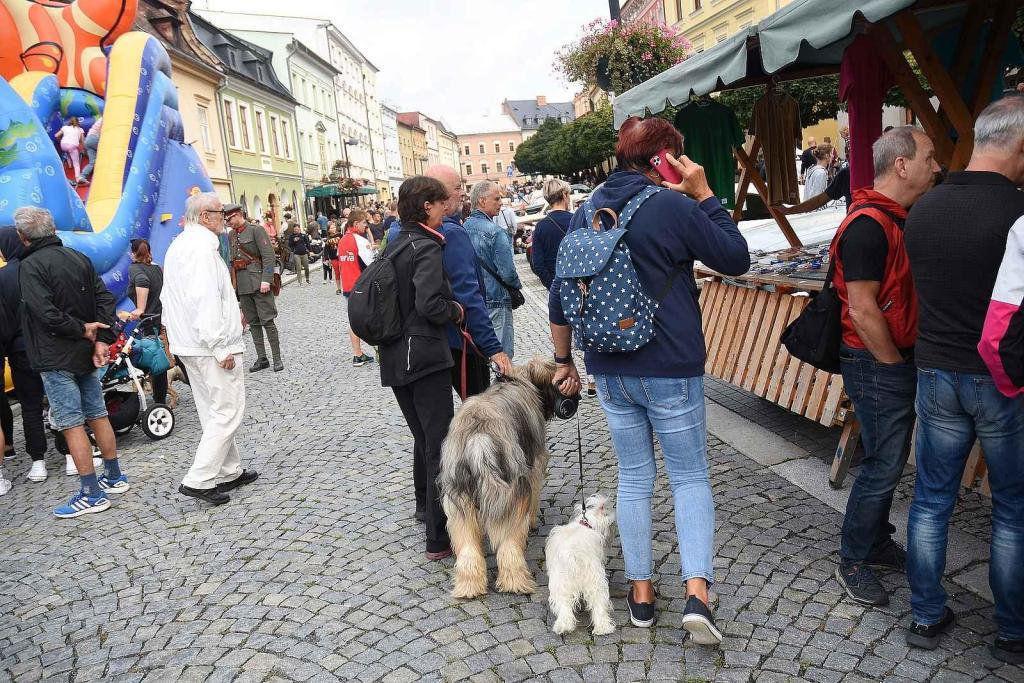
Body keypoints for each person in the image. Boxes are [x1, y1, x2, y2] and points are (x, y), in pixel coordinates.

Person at [548, 116, 749, 644]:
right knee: (688, 477)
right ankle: (697, 595)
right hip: (670, 364)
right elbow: (735, 257)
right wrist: (705, 195)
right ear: (664, 159)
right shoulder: (675, 206)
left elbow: (559, 298)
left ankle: (640, 595)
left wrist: (564, 361)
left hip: (609, 367)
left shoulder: (587, 212)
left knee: (634, 478)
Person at [904, 96, 1024, 661]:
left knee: (931, 500)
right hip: (1001, 380)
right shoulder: (1018, 213)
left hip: (936, 372)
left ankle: (925, 617)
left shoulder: (924, 208)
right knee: (1012, 507)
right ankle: (1011, 630)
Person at [829, 127, 939, 607]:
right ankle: (852, 558)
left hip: (885, 359)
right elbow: (862, 308)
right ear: (901, 165)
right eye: (929, 158)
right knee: (882, 464)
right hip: (876, 362)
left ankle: (873, 543)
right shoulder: (869, 225)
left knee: (887, 460)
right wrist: (894, 365)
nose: (936, 168)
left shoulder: (891, 218)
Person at [16, 206, 127, 517]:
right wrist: (99, 336)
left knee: (72, 422)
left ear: (23, 237)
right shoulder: (79, 258)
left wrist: (86, 331)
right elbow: (105, 299)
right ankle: (114, 475)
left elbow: (44, 313)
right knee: (96, 413)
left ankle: (91, 493)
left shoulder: (32, 266)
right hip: (84, 350)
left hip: (57, 354)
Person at [379, 176, 465, 561]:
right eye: (440, 203)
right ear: (427, 206)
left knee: (425, 440)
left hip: (396, 357)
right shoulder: (426, 247)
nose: (446, 208)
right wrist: (455, 310)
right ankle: (439, 537)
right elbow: (430, 303)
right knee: (439, 447)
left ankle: (430, 518)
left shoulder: (395, 241)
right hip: (425, 358)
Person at [162, 192, 258, 506]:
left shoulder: (179, 245)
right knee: (227, 410)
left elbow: (170, 299)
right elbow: (203, 300)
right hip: (207, 344)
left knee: (212, 410)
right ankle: (199, 478)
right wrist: (219, 346)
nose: (225, 217)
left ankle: (229, 470)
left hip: (190, 343)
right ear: (205, 216)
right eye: (220, 212)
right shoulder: (201, 249)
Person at [424, 165, 512, 399]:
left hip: (424, 342)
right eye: (457, 188)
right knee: (480, 410)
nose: (462, 193)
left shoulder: (399, 233)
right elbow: (468, 294)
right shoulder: (450, 233)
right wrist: (493, 347)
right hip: (460, 340)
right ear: (438, 194)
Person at [0, 227, 48, 484]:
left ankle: (38, 461)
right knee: (60, 400)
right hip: (51, 346)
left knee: (30, 407)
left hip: (20, 352)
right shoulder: (39, 266)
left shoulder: (3, 277)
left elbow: (4, 322)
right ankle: (72, 455)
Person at [465, 181, 522, 359]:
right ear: (482, 201)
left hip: (472, 300)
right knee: (502, 359)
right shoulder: (496, 232)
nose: (500, 202)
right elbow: (508, 273)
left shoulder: (460, 230)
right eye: (496, 198)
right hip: (497, 298)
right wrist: (516, 286)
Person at [228, 204, 283, 372]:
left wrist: (267, 279)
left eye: (229, 219)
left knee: (267, 321)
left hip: (259, 282)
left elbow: (268, 256)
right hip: (243, 284)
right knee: (253, 323)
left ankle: (277, 358)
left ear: (238, 215)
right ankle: (262, 358)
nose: (228, 222)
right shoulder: (231, 235)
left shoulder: (256, 230)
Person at [126, 239, 168, 406]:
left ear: (133, 253)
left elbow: (142, 281)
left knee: (154, 361)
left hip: (149, 321)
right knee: (163, 360)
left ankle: (158, 402)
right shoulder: (157, 268)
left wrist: (140, 309)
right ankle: (160, 399)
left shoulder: (134, 268)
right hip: (161, 318)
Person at [339, 210, 376, 366]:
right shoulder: (360, 241)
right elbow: (373, 263)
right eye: (364, 223)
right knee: (372, 317)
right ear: (355, 224)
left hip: (347, 286)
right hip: (361, 286)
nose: (366, 226)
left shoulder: (342, 240)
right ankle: (379, 351)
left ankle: (357, 354)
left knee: (353, 320)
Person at [531, 178, 573, 291]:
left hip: (555, 283)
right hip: (577, 283)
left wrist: (552, 285)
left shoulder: (540, 226)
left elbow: (537, 264)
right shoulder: (576, 220)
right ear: (564, 195)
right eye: (569, 194)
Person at [779, 164, 851, 215]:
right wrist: (789, 210)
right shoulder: (845, 174)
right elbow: (819, 200)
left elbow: (819, 200)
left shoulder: (846, 174)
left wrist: (789, 210)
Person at [55, 117, 86, 185]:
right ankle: (78, 178)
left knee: (67, 150)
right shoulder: (80, 129)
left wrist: (61, 140)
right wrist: (82, 149)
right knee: (76, 163)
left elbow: (56, 135)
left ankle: (69, 164)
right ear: (78, 122)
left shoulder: (65, 127)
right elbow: (82, 141)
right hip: (72, 146)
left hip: (63, 145)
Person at [80, 116, 102, 182]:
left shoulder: (99, 120)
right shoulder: (106, 118)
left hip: (88, 140)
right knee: (106, 154)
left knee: (93, 162)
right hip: (95, 138)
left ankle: (82, 176)